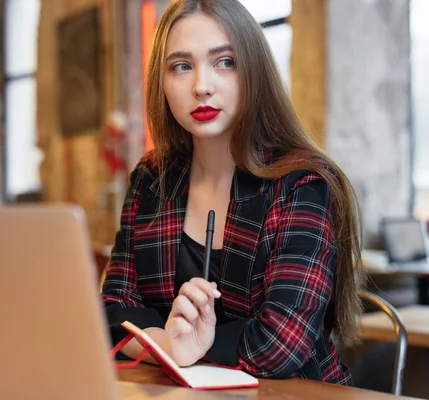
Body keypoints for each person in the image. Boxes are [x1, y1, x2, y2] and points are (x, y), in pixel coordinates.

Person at [101, 0, 363, 385]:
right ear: (162, 81)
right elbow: (112, 312)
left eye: (224, 62)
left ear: (253, 71)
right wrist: (173, 349)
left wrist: (194, 346)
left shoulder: (301, 184)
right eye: (181, 66)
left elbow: (280, 345)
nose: (201, 86)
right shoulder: (151, 178)